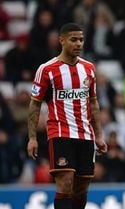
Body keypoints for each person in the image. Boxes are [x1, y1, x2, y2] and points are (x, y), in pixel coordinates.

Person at [27, 23, 107, 209]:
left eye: (81, 39)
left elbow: (93, 102)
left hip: (86, 134)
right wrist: (32, 138)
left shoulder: (89, 69)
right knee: (65, 182)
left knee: (81, 188)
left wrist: (100, 135)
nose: (78, 43)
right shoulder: (46, 69)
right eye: (73, 40)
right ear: (61, 40)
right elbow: (35, 104)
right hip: (60, 132)